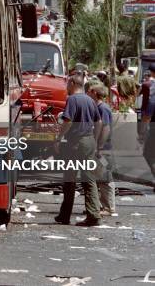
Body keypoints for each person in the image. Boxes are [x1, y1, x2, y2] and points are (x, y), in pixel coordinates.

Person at [54, 72, 102, 226]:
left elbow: (67, 121)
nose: (66, 87)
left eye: (68, 84)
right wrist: (95, 139)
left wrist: (58, 137)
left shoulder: (72, 99)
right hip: (88, 141)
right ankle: (93, 214)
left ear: (73, 83)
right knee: (89, 178)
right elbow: (99, 121)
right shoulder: (90, 100)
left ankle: (66, 215)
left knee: (69, 179)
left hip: (75, 143)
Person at [88, 84, 115, 216]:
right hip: (101, 149)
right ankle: (101, 206)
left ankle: (108, 207)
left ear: (94, 93)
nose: (87, 94)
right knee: (100, 176)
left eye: (89, 92)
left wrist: (99, 147)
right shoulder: (99, 107)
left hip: (103, 150)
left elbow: (106, 128)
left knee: (105, 178)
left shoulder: (102, 109)